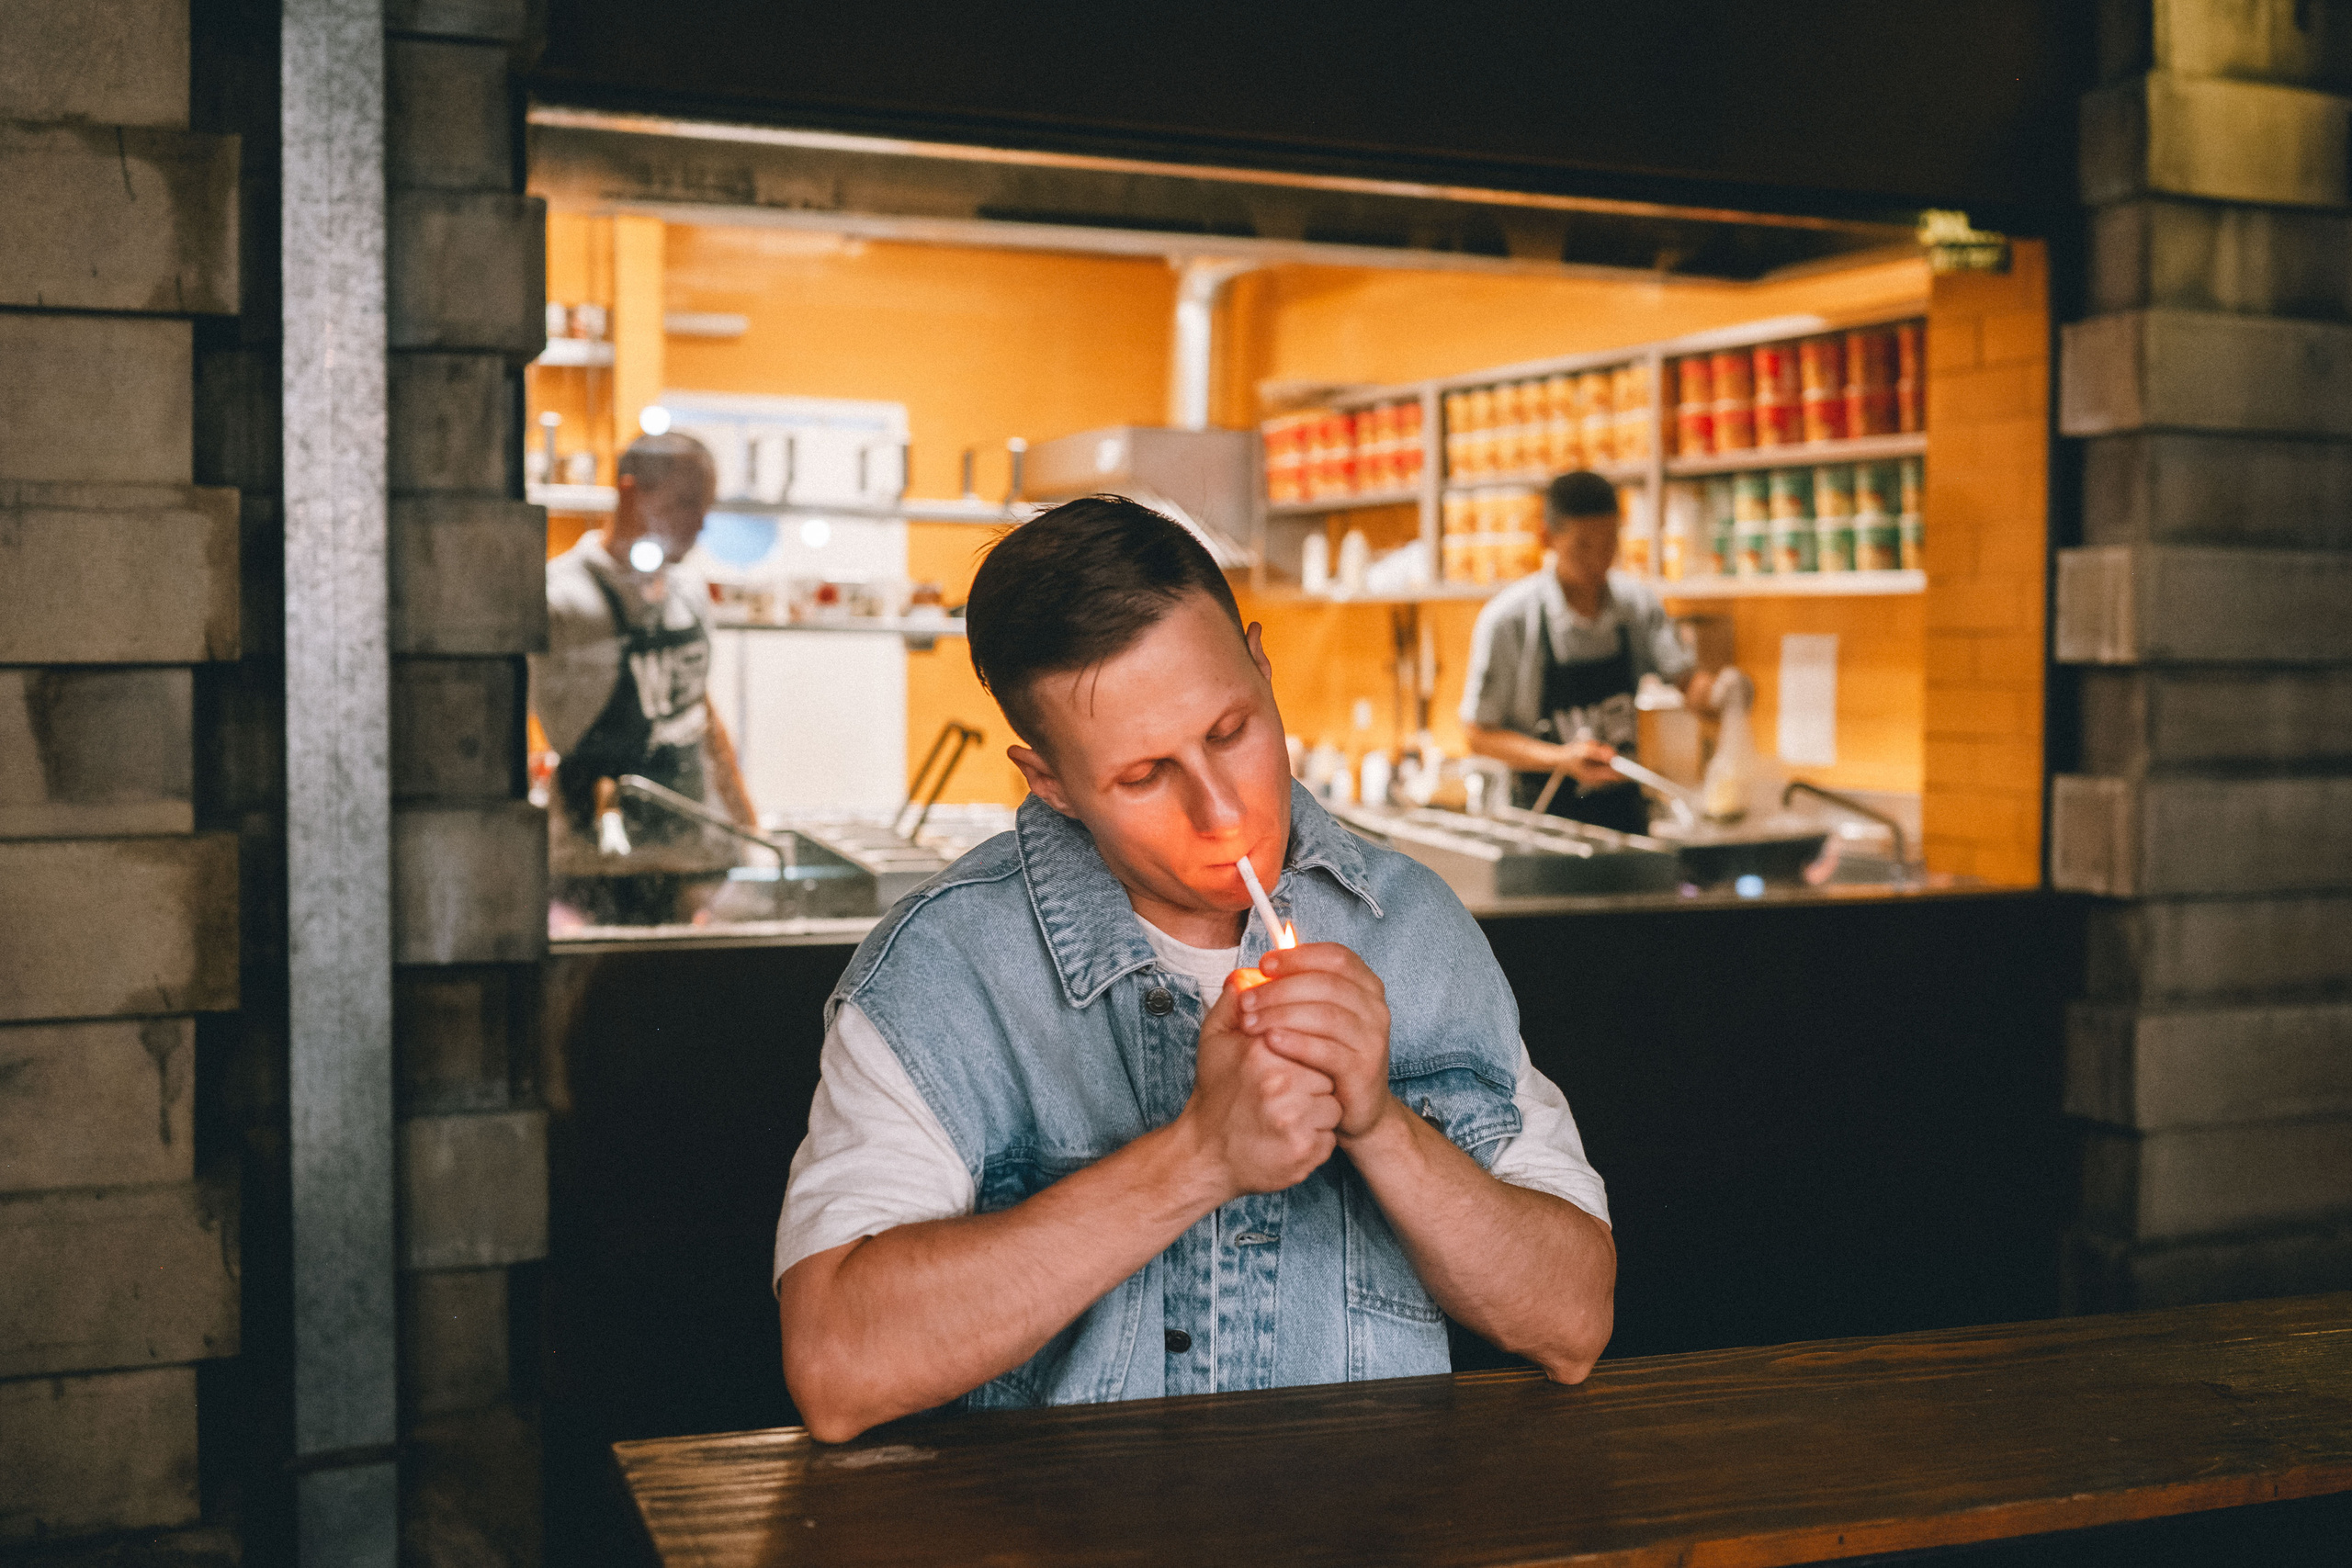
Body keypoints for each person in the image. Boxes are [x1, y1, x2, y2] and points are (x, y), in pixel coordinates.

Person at [774, 495, 1614, 1444]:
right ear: (1046, 779)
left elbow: (1572, 1322)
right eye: (1143, 776)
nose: (1220, 811)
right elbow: (837, 1369)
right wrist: (1200, 1157)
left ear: (1260, 663)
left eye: (1231, 731)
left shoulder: (1412, 925)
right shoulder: (939, 973)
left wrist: (1382, 1127)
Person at [529, 433, 757, 918]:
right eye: (684, 504)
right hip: (595, 866)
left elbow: (699, 711)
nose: (699, 524)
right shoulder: (561, 598)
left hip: (692, 859)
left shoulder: (689, 591)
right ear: (630, 491)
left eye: (705, 508)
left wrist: (745, 822)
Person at [1461, 470, 1716, 833]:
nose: (1599, 560)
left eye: (1609, 542)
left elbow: (1687, 682)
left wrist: (1719, 695)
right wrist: (1562, 759)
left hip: (1625, 823)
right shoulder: (1508, 621)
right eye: (1583, 546)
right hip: (1541, 831)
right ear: (1547, 537)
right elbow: (1477, 735)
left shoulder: (1637, 606)